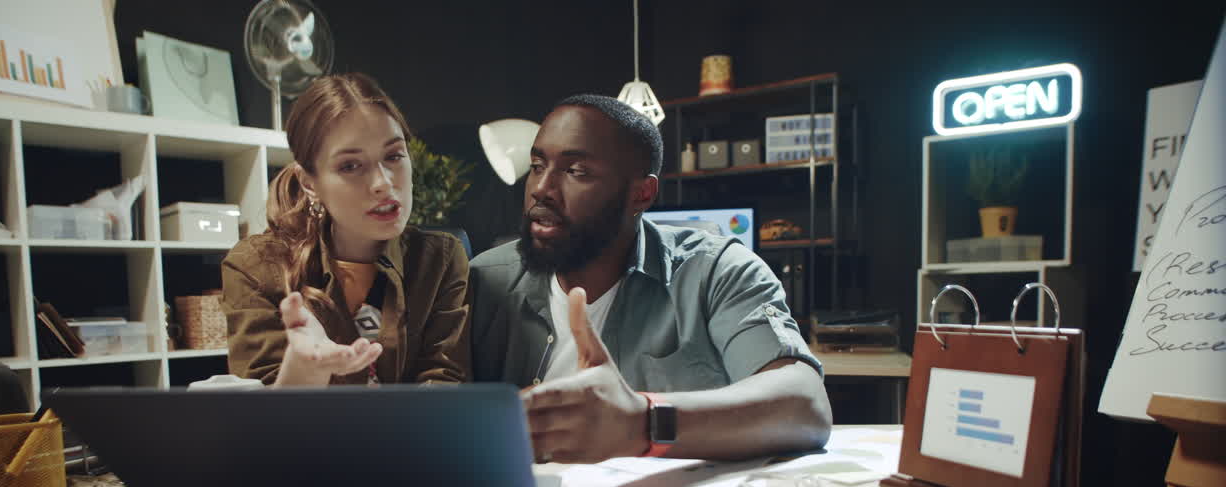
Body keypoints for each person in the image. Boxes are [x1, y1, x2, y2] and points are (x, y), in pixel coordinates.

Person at [469, 94, 832, 463]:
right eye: (536, 165)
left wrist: (642, 422)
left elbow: (806, 405)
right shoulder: (481, 281)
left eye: (576, 171)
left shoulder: (716, 271)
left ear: (641, 193)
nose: (541, 188)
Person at [222, 73, 469, 386]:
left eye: (393, 156)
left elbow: (444, 383)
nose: (383, 183)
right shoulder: (255, 266)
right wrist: (303, 370)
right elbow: (264, 409)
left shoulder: (439, 259)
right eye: (350, 166)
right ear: (310, 184)